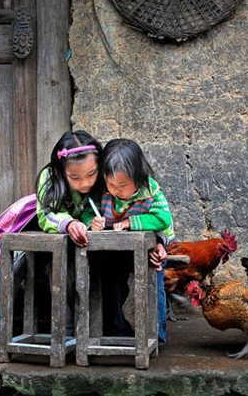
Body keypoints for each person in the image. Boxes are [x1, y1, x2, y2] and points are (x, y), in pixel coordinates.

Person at [0, 130, 104, 357]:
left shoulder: (103, 179)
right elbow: (45, 216)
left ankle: (71, 337)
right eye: (75, 178)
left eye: (91, 174)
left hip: (75, 242)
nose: (85, 183)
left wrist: (92, 223)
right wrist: (68, 223)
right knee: (11, 268)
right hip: (35, 233)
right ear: (61, 170)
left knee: (69, 274)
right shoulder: (49, 177)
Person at [96, 138, 174, 346]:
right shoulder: (103, 191)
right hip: (115, 252)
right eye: (111, 184)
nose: (116, 190)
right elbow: (88, 212)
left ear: (138, 177)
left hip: (150, 249)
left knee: (153, 284)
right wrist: (92, 222)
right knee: (112, 284)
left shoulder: (150, 192)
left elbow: (163, 219)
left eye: (122, 185)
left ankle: (156, 334)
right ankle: (116, 331)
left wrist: (131, 222)